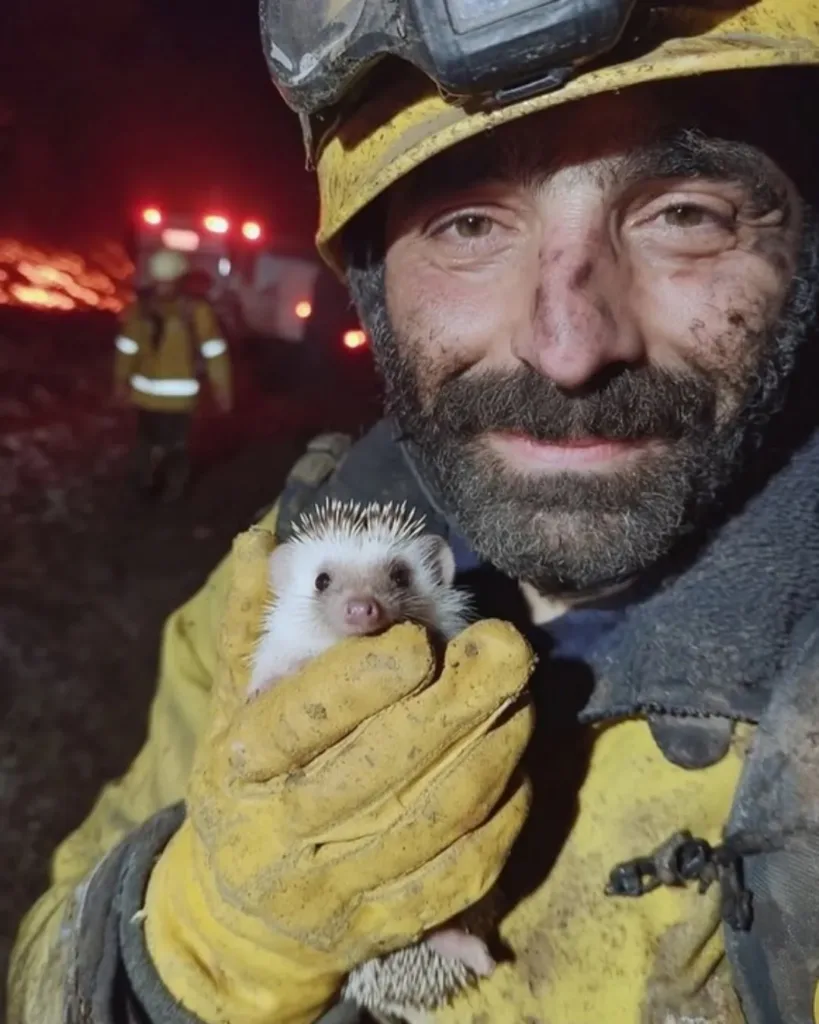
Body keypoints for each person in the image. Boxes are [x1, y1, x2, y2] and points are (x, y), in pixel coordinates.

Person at [9, 2, 819, 1022]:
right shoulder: (273, 569)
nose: (568, 346)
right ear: (373, 285)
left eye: (686, 215)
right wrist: (180, 954)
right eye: (469, 223)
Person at [113, 248, 233, 500]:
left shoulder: (141, 310)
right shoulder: (196, 311)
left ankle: (147, 490)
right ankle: (169, 493)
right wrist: (222, 391)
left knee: (150, 444)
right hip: (177, 401)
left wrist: (120, 383)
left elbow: (126, 351)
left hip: (149, 398)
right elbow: (214, 354)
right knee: (173, 447)